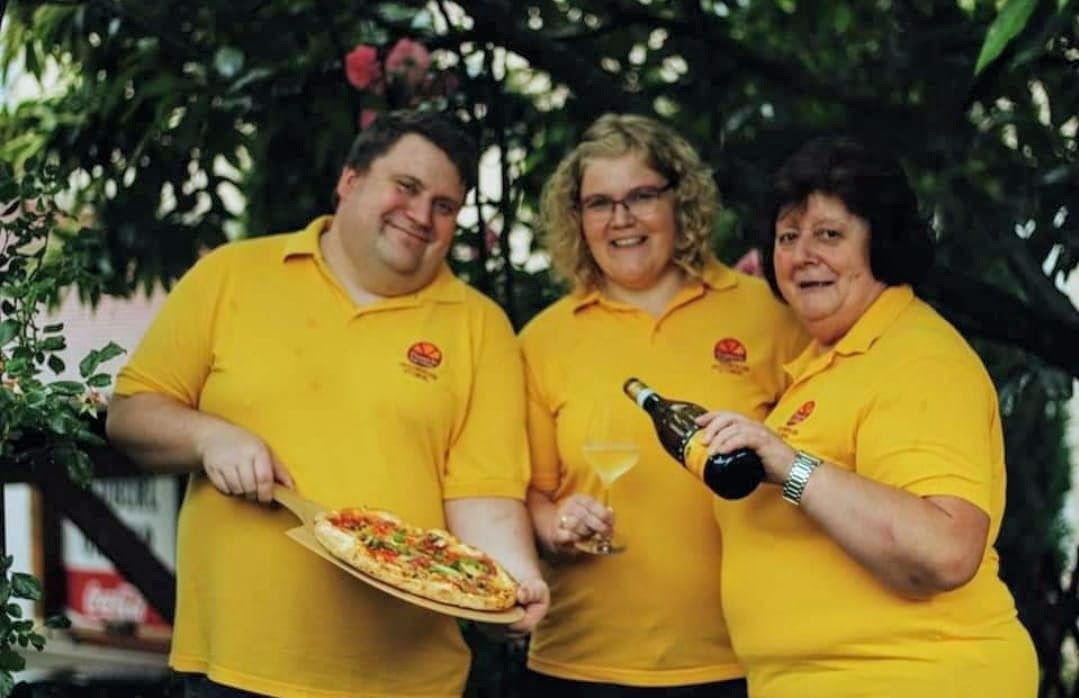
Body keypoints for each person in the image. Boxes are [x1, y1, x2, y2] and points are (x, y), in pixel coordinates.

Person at [105, 110, 548, 698]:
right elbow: (129, 416)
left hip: (408, 680)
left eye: (444, 206)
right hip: (236, 668)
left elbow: (483, 493)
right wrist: (210, 436)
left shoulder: (480, 326)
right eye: (407, 187)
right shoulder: (232, 275)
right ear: (350, 180)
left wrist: (511, 578)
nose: (421, 215)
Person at [696, 136, 1038, 696]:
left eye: (829, 234)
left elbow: (945, 551)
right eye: (788, 237)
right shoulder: (826, 362)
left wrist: (791, 466)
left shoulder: (917, 357)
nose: (803, 254)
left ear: (881, 244)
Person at [519, 113, 807, 697]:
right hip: (581, 664)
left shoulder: (770, 314)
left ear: (681, 201)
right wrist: (559, 527)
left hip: (744, 659)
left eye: (642, 196)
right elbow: (528, 493)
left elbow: (821, 459)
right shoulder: (541, 340)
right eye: (599, 203)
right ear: (577, 220)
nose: (621, 219)